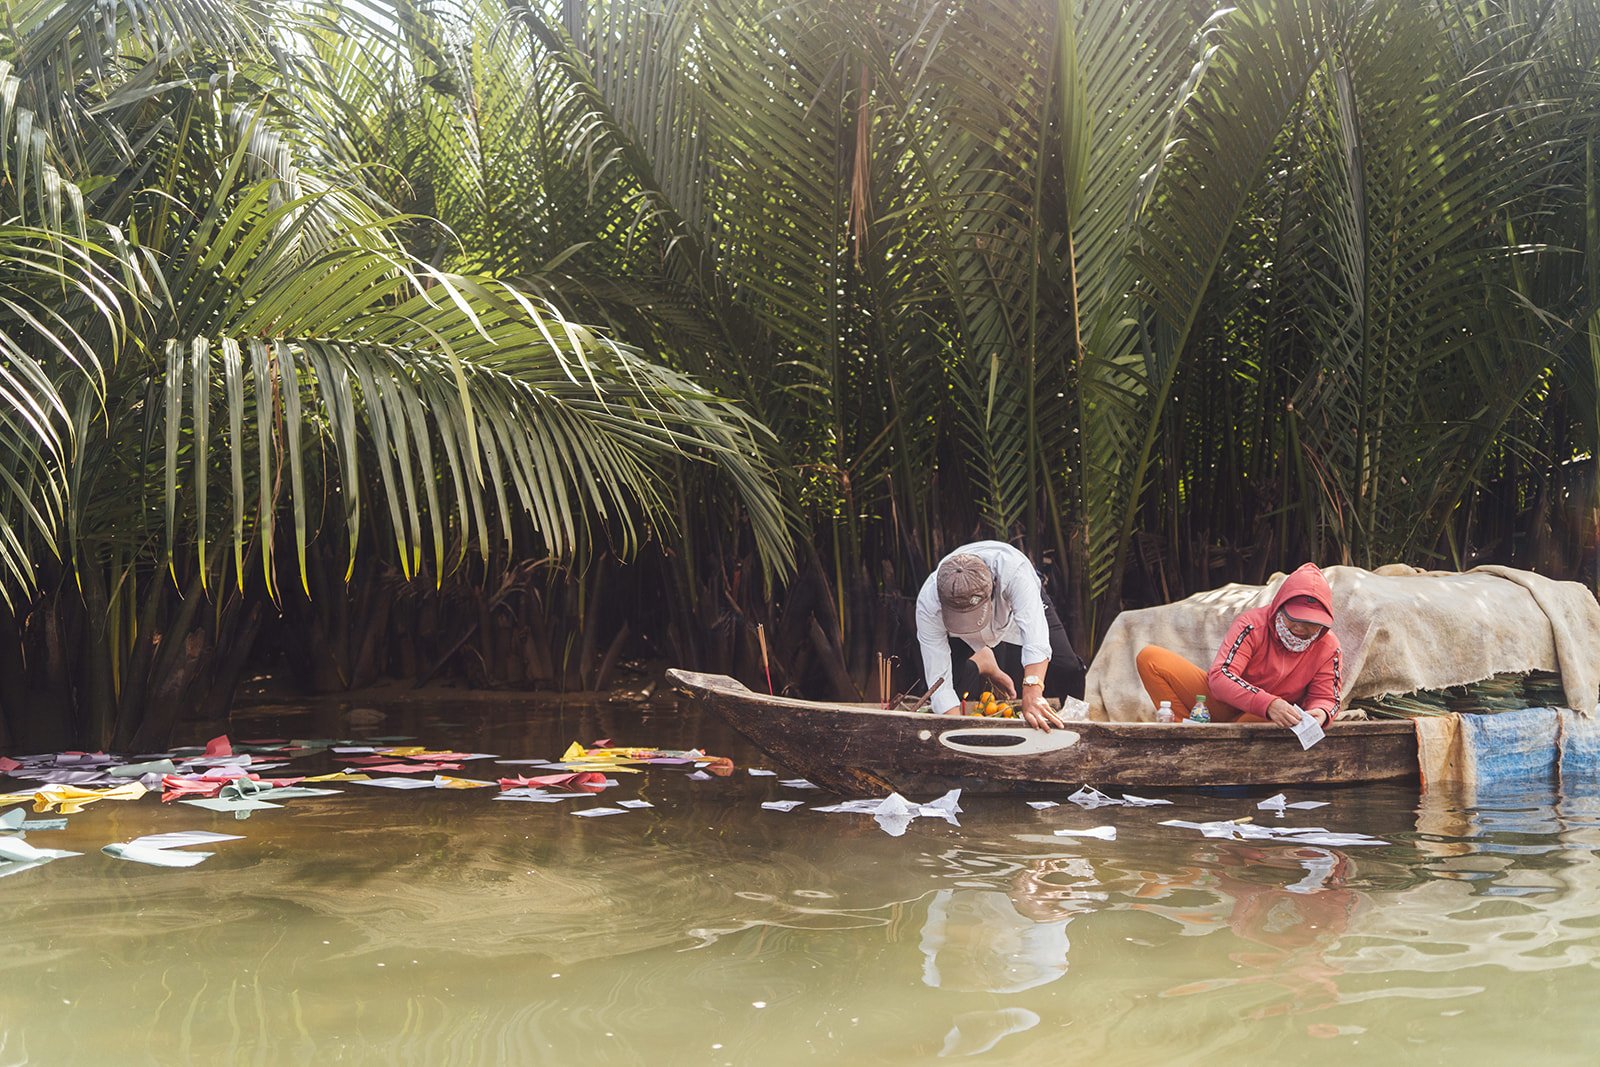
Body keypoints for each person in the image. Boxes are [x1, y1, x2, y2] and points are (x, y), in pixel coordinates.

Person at [1136, 562, 1342, 728]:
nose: (1300, 629)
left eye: (1311, 625)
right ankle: (1185, 734)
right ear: (1280, 607)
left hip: (1268, 720)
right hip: (1225, 704)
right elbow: (1219, 677)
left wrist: (1321, 713)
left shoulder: (1329, 647)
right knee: (1150, 659)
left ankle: (1217, 739)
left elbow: (1326, 698)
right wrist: (1267, 703)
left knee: (1256, 721)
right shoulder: (1252, 625)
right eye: (1294, 619)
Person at [915, 541, 1086, 731]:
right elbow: (940, 681)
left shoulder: (1015, 573)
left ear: (994, 588)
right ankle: (982, 660)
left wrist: (1032, 692)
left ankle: (1075, 728)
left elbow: (1035, 639)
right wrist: (955, 731)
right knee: (944, 686)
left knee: (1067, 667)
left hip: (1013, 609)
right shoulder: (928, 605)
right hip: (959, 635)